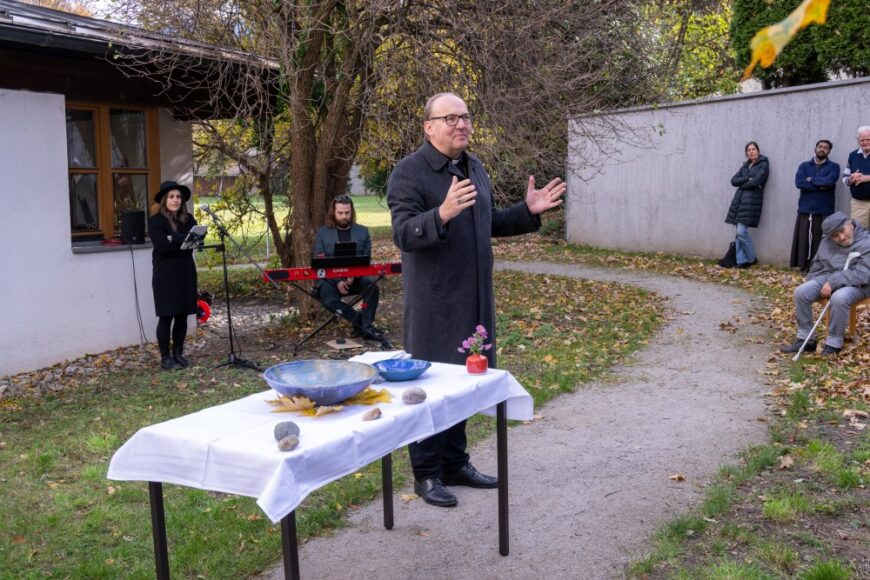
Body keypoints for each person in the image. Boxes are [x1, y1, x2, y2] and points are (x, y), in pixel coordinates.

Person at [387, 92, 565, 508]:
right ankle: (427, 474)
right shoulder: (408, 173)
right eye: (450, 118)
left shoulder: (473, 166)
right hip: (434, 305)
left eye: (465, 116)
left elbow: (488, 223)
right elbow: (402, 234)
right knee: (431, 389)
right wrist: (441, 214)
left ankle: (455, 462)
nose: (461, 124)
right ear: (428, 126)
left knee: (465, 385)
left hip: (475, 301)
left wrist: (527, 210)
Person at [780, 212, 869, 358]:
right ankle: (806, 339)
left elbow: (863, 274)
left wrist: (833, 283)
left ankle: (834, 343)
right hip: (829, 278)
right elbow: (817, 265)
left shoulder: (866, 242)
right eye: (835, 235)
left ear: (850, 223)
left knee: (839, 297)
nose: (841, 237)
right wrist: (813, 282)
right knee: (802, 292)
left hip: (860, 284)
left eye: (842, 231)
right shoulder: (826, 241)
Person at [313, 194, 380, 337]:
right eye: (340, 213)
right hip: (330, 281)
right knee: (329, 300)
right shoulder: (323, 233)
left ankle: (368, 325)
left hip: (355, 278)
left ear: (352, 212)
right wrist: (338, 281)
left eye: (347, 213)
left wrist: (352, 275)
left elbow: (365, 259)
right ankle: (359, 322)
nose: (344, 216)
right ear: (333, 212)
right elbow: (320, 262)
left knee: (372, 287)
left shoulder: (362, 232)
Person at [149, 181, 198, 370]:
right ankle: (165, 358)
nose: (175, 200)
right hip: (165, 274)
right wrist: (182, 241)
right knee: (166, 316)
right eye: (171, 196)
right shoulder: (155, 221)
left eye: (178, 197)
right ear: (164, 200)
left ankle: (178, 353)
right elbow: (162, 247)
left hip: (185, 271)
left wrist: (173, 238)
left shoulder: (189, 219)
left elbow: (195, 242)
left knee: (182, 315)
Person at [790, 140, 840, 272]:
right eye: (820, 147)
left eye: (826, 148)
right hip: (806, 208)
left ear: (829, 151)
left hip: (824, 209)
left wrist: (811, 179)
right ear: (815, 148)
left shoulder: (834, 167)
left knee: (821, 240)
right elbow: (799, 183)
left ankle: (820, 267)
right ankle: (804, 266)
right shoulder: (804, 166)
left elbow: (830, 181)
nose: (822, 149)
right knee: (804, 239)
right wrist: (820, 186)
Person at [725, 141, 769, 268]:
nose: (751, 151)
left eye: (753, 149)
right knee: (738, 234)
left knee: (741, 232)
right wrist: (746, 179)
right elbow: (734, 180)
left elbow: (756, 182)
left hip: (752, 202)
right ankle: (741, 261)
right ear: (746, 153)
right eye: (748, 150)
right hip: (739, 201)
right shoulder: (745, 166)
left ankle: (751, 258)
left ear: (758, 151)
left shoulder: (764, 164)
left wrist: (744, 183)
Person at [841, 126, 870, 229]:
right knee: (858, 234)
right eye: (862, 140)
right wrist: (851, 179)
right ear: (858, 141)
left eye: (868, 139)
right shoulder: (853, 155)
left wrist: (867, 178)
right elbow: (845, 177)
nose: (865, 142)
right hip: (859, 204)